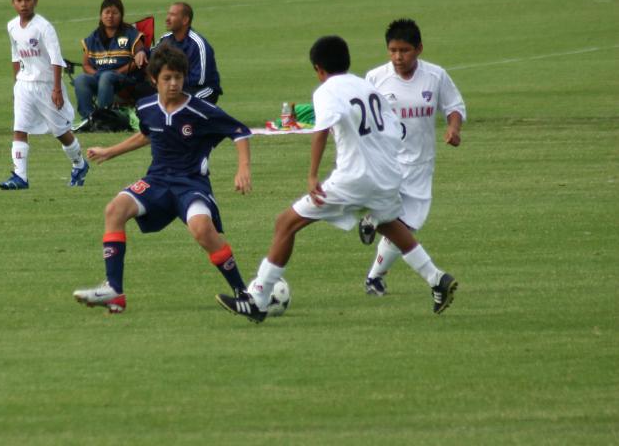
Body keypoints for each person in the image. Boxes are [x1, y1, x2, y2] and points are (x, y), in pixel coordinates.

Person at [216, 35, 458, 323]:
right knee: (390, 226)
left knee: (285, 223)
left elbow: (322, 128)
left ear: (318, 69)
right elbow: (394, 128)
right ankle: (436, 278)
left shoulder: (327, 90)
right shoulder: (367, 86)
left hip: (353, 179)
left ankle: (257, 299)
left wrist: (312, 174)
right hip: (386, 175)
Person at [73, 45, 252, 313]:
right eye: (167, 78)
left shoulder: (200, 110)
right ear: (154, 79)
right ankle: (114, 291)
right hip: (156, 181)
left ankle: (243, 294)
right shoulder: (146, 106)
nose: (173, 84)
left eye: (178, 78)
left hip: (191, 184)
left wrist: (243, 168)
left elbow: (240, 131)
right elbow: (147, 134)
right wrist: (110, 151)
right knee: (114, 210)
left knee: (202, 230)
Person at [359, 19, 466, 296]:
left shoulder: (435, 76)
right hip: (389, 161)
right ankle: (376, 216)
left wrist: (453, 128)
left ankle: (374, 278)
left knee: (402, 228)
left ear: (418, 49)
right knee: (402, 225)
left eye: (404, 50)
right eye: (392, 50)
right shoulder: (375, 78)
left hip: (421, 164)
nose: (397, 57)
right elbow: (362, 117)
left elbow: (453, 106)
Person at [0, 0, 89, 190]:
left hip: (46, 85)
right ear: (13, 3)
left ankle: (79, 164)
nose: (24, 4)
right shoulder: (11, 26)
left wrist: (57, 89)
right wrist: (16, 83)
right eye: (19, 0)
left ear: (35, 1)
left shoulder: (44, 27)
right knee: (19, 128)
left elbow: (56, 59)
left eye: (28, 0)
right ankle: (20, 176)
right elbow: (15, 55)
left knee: (60, 131)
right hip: (24, 85)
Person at [72, 0, 148, 123]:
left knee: (106, 76)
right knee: (81, 79)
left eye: (115, 13)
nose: (110, 16)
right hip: (101, 76)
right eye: (107, 12)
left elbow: (138, 57)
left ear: (121, 15)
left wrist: (118, 71)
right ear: (101, 15)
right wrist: (96, 74)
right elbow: (86, 65)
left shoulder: (130, 33)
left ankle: (103, 118)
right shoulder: (93, 37)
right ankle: (89, 119)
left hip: (125, 79)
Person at [141, 2, 222, 103]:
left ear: (185, 20)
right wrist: (141, 52)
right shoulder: (166, 39)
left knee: (188, 104)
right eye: (168, 14)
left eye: (173, 15)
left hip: (202, 89)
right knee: (141, 90)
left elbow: (200, 79)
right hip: (176, 85)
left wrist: (169, 82)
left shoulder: (198, 44)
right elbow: (152, 56)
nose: (167, 18)